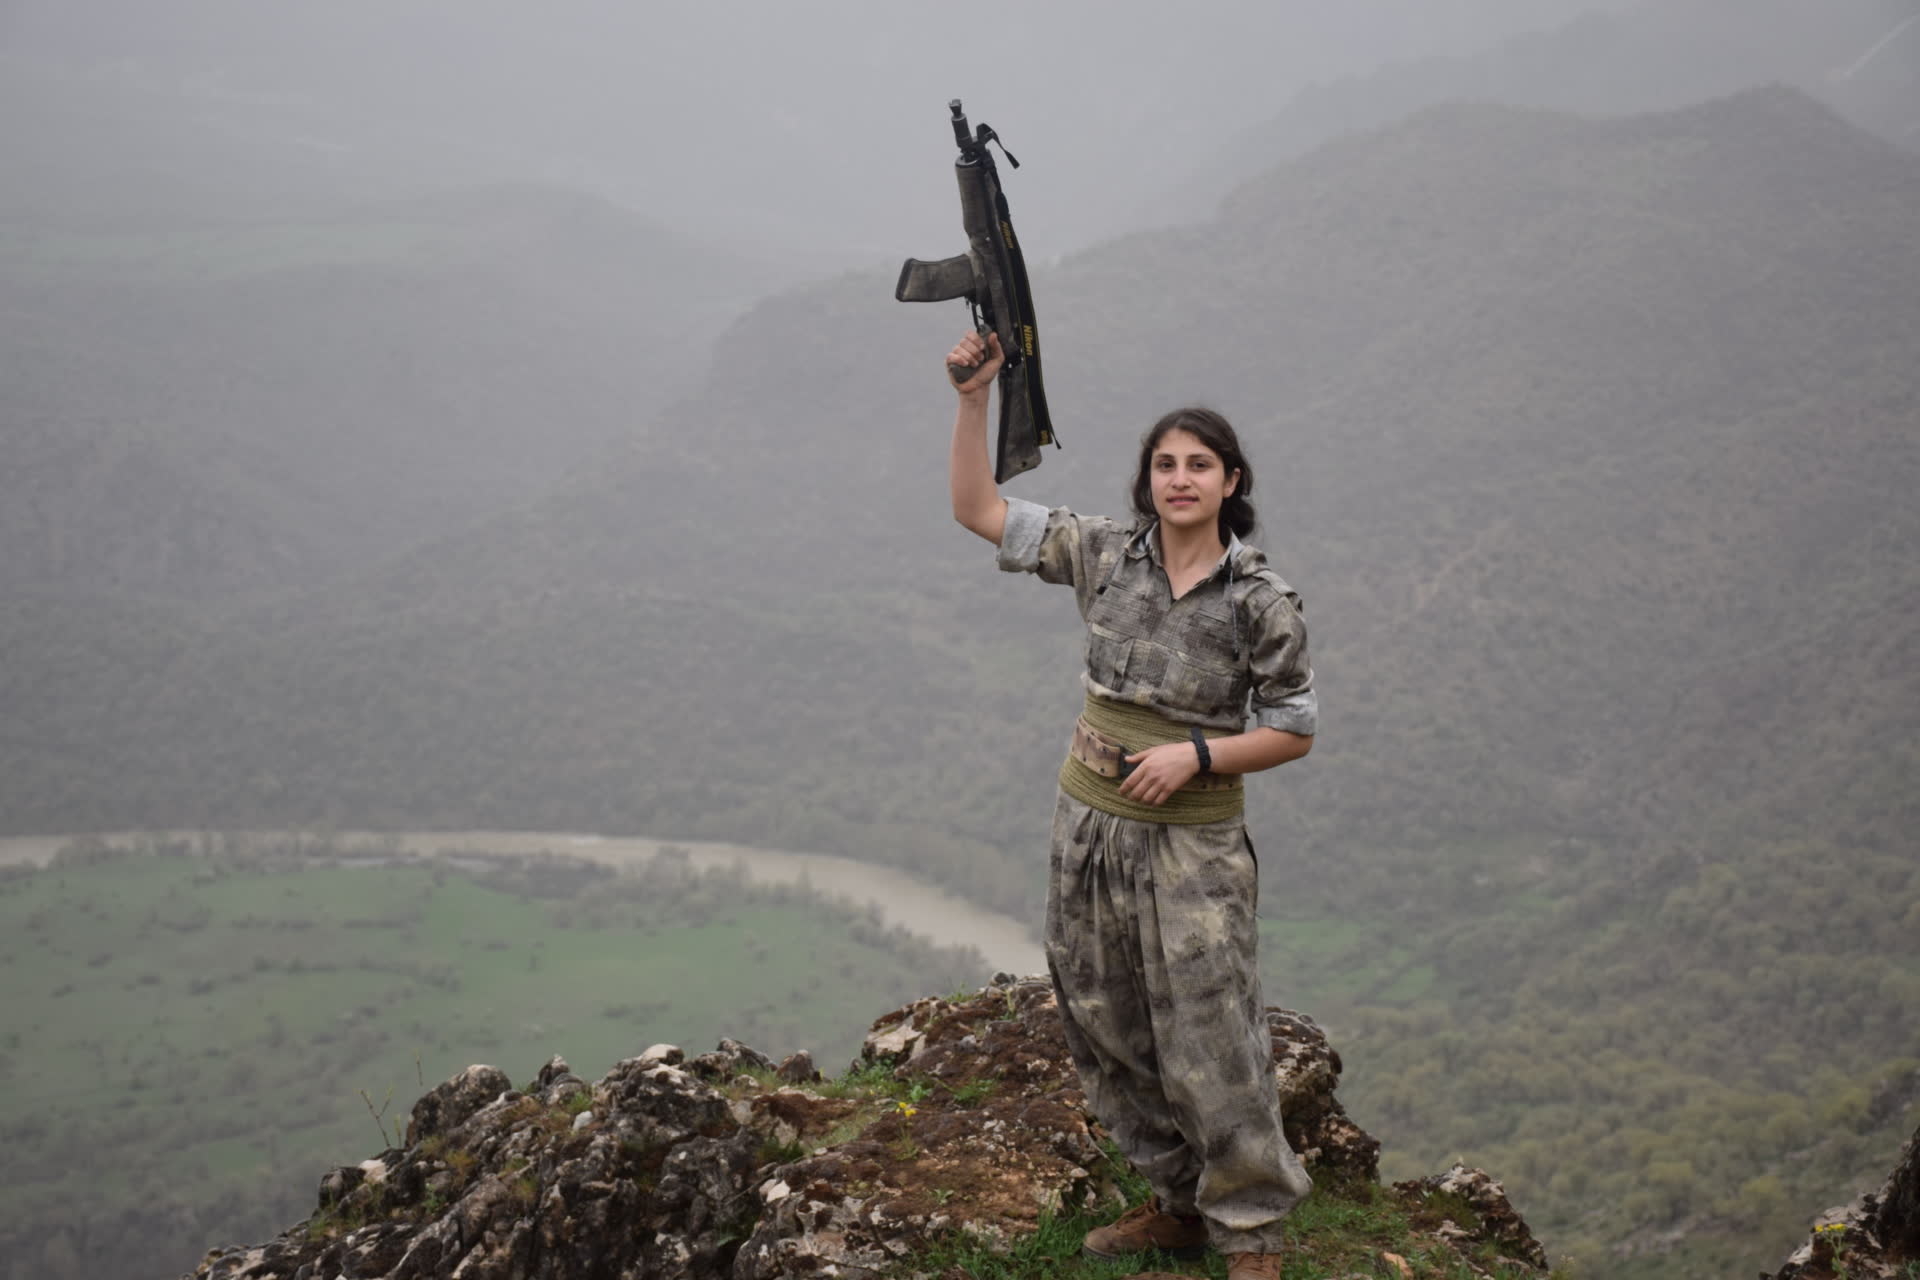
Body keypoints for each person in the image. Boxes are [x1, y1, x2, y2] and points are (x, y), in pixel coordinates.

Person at [945, 330, 1317, 1280]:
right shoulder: (1104, 553)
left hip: (1192, 845)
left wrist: (1198, 755)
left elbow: (1293, 728)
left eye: (1199, 465)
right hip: (1087, 825)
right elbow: (978, 509)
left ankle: (1252, 1234)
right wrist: (974, 398)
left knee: (1210, 1031)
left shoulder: (1260, 601)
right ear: (1147, 480)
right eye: (1165, 464)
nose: (1180, 479)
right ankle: (1177, 1203)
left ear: (1231, 481)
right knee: (1101, 1014)